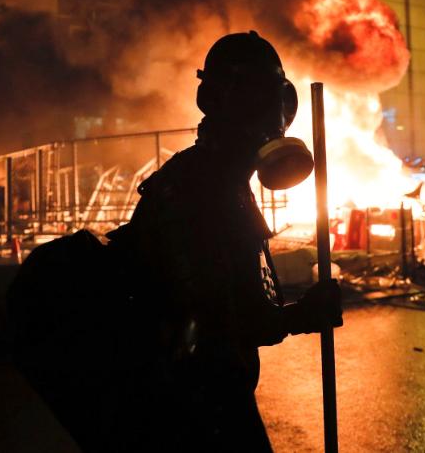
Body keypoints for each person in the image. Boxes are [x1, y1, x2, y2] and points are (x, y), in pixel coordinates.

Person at [109, 31, 343, 451]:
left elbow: (242, 301)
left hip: (213, 397)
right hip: (191, 410)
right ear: (215, 102)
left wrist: (295, 314)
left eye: (274, 99)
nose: (270, 115)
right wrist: (299, 317)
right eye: (255, 99)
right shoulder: (193, 189)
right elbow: (214, 324)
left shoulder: (227, 182)